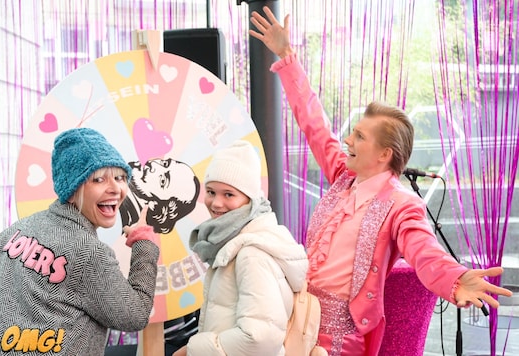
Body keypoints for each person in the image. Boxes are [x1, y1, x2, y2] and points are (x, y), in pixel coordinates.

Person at [249, 7, 513, 356]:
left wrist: (454, 277)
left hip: (340, 339)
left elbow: (424, 252)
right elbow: (314, 124)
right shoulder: (345, 176)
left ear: (384, 154)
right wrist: (286, 56)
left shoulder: (403, 205)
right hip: (297, 319)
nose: (347, 142)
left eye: (359, 136)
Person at [0, 127, 160, 355]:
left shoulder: (16, 231)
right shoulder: (89, 252)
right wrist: (143, 243)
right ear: (72, 187)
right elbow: (135, 315)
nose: (116, 189)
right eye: (99, 179)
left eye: (121, 177)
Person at [172, 140, 309, 356]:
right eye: (211, 192)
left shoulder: (251, 253)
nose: (216, 203)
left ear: (250, 199)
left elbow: (260, 339)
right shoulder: (232, 241)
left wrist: (195, 349)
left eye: (228, 194)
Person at [120, 158, 200, 234]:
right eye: (165, 164)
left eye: (163, 181)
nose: (154, 165)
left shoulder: (117, 214)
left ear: (157, 207)